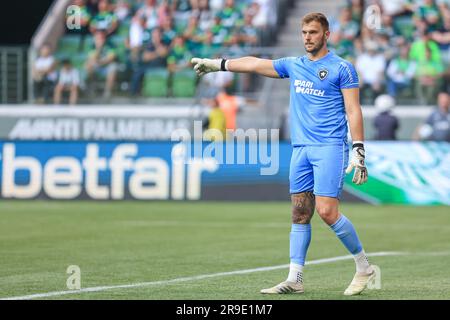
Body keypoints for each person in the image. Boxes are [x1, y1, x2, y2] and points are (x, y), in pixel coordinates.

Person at [191, 12, 374, 296]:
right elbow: (254, 63)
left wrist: (358, 149)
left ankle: (364, 268)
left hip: (330, 147)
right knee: (300, 213)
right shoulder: (294, 65)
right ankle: (295, 279)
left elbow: (353, 110)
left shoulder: (342, 68)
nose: (307, 38)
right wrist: (218, 64)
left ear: (326, 35)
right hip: (300, 148)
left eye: (313, 32)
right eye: (303, 33)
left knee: (326, 212)